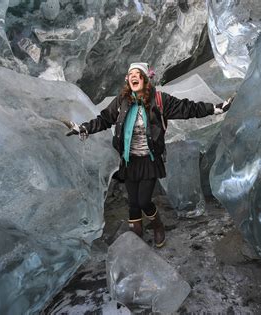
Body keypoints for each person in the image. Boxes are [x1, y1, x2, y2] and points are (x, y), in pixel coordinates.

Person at [65, 62, 232, 248]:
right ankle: (137, 231)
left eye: (138, 74)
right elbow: (104, 119)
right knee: (133, 202)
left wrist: (216, 108)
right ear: (128, 80)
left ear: (145, 79)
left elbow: (188, 108)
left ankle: (158, 225)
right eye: (131, 75)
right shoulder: (122, 101)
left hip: (149, 159)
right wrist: (84, 128)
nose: (134, 77)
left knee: (144, 200)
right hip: (129, 160)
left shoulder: (159, 100)